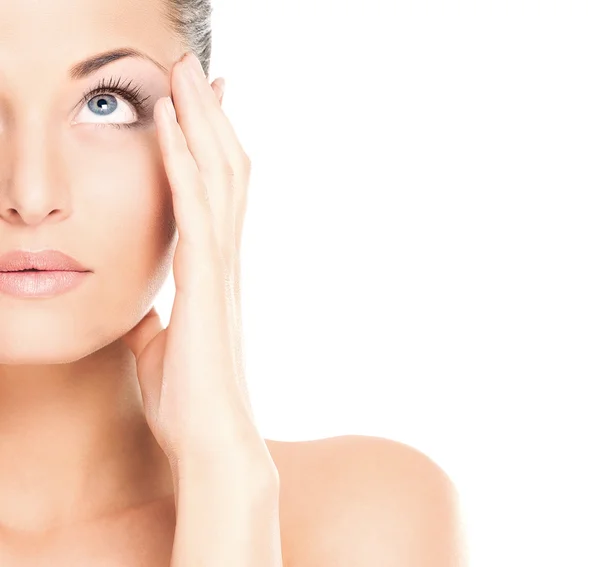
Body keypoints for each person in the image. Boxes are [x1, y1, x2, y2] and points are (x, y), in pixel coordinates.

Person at [0, 0, 467, 565]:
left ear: (204, 139)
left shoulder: (365, 519)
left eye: (106, 104)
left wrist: (221, 475)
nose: (31, 196)